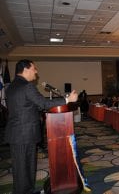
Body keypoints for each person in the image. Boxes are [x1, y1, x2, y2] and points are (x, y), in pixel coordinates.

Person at [5, 59, 78, 194]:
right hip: (24, 134)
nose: (36, 72)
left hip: (18, 133)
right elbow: (43, 103)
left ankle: (28, 190)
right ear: (26, 70)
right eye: (34, 69)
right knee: (24, 169)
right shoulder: (27, 86)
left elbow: (27, 106)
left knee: (23, 168)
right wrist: (68, 99)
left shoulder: (11, 86)